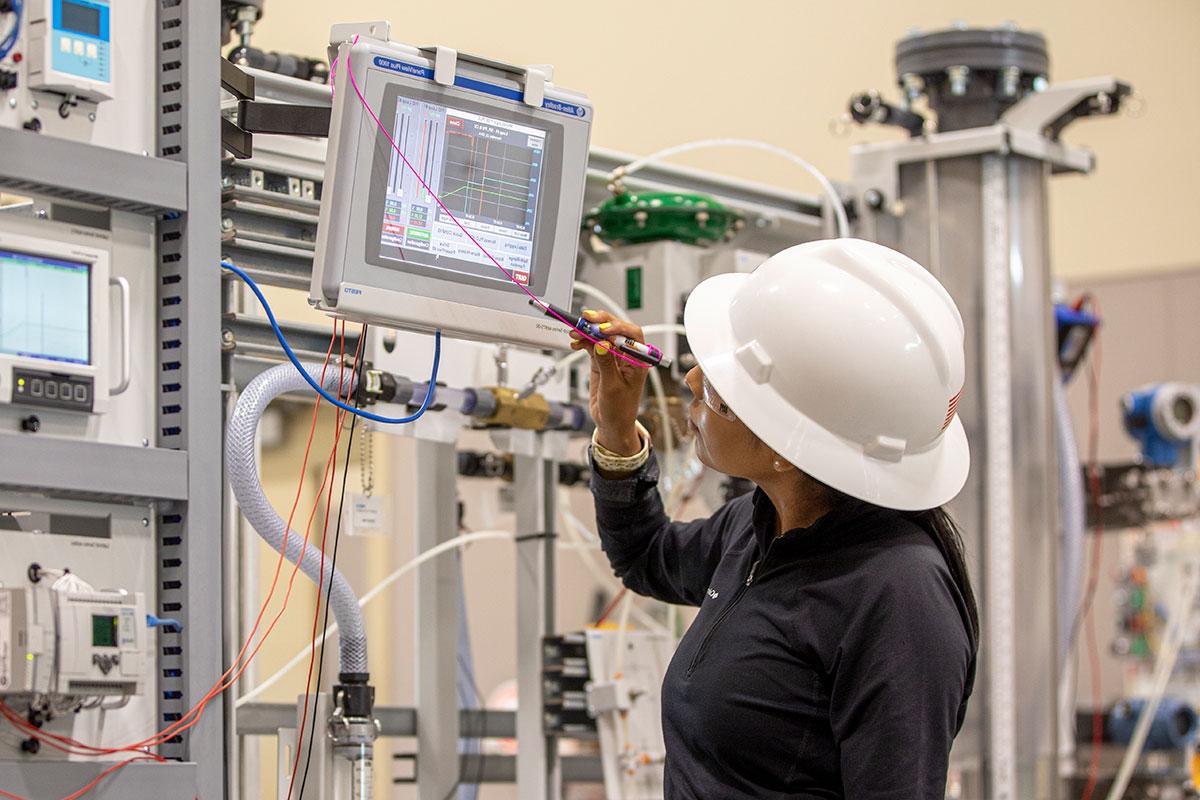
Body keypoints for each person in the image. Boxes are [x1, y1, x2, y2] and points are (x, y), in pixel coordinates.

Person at [575, 238, 978, 799]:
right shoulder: (761, 524)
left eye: (719, 390)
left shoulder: (897, 598)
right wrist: (617, 426)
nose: (690, 383)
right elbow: (647, 558)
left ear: (788, 446)